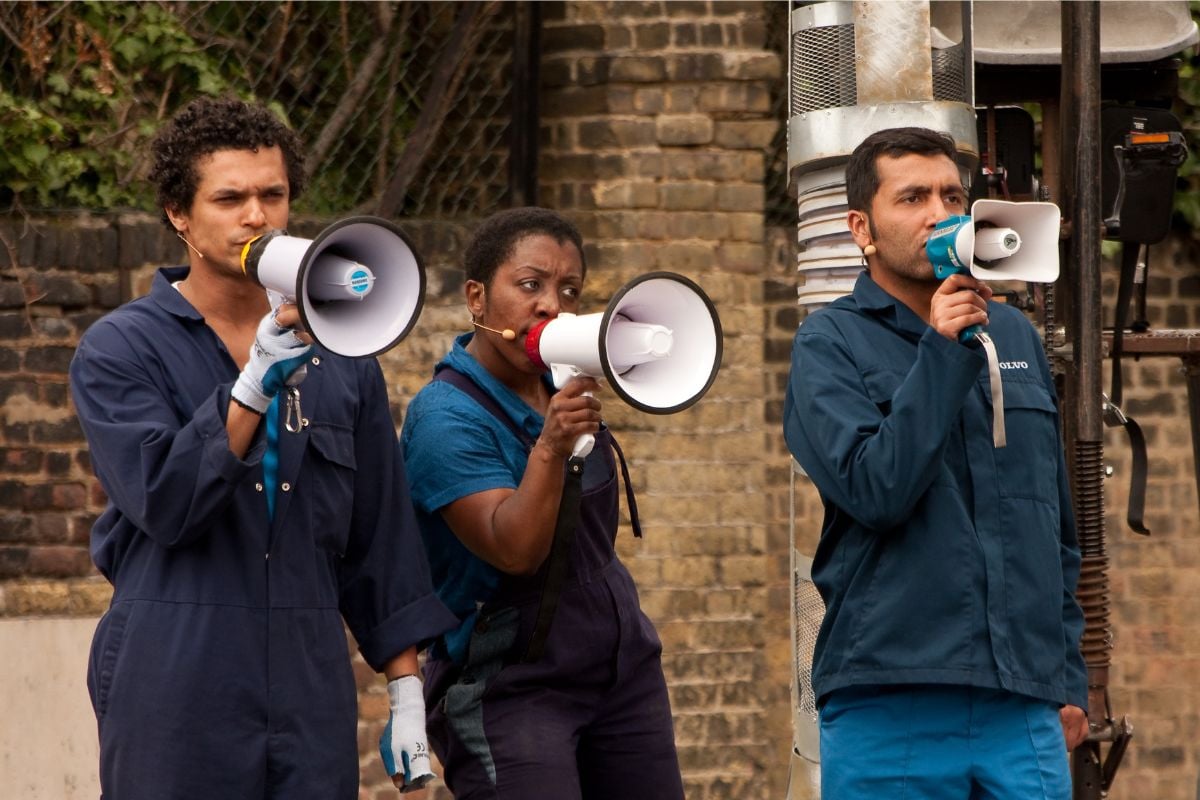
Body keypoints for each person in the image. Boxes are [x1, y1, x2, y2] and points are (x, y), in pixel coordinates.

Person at [68, 96, 456, 799]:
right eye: (230, 197)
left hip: (308, 672)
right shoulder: (120, 350)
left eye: (273, 195)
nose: (257, 216)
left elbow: (381, 538)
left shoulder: (346, 357)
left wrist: (406, 691)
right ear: (178, 214)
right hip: (178, 661)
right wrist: (251, 389)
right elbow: (166, 501)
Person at [783, 127, 1089, 799]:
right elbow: (875, 489)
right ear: (862, 227)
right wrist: (942, 352)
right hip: (892, 693)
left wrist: (1066, 676)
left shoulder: (1013, 336)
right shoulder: (829, 344)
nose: (940, 212)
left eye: (953, 194)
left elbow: (1053, 525)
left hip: (1022, 698)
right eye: (913, 197)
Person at [399, 207, 685, 799]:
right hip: (511, 690)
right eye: (530, 285)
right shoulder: (444, 417)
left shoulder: (558, 386)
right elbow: (515, 549)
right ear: (477, 299)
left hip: (621, 673)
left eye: (569, 289)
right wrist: (552, 446)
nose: (551, 305)